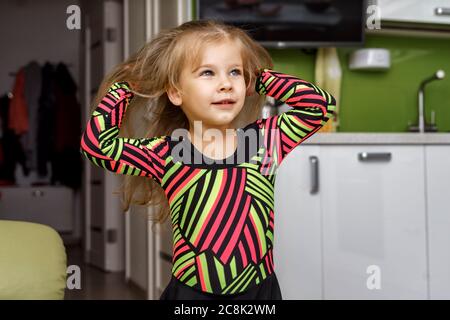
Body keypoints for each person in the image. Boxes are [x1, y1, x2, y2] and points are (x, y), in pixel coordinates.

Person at [80, 19, 336, 300]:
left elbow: (322, 106)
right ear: (176, 92)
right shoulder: (167, 153)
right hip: (191, 295)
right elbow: (96, 146)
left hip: (259, 292)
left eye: (234, 72)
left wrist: (259, 78)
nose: (226, 84)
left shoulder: (267, 140)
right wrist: (124, 89)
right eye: (207, 73)